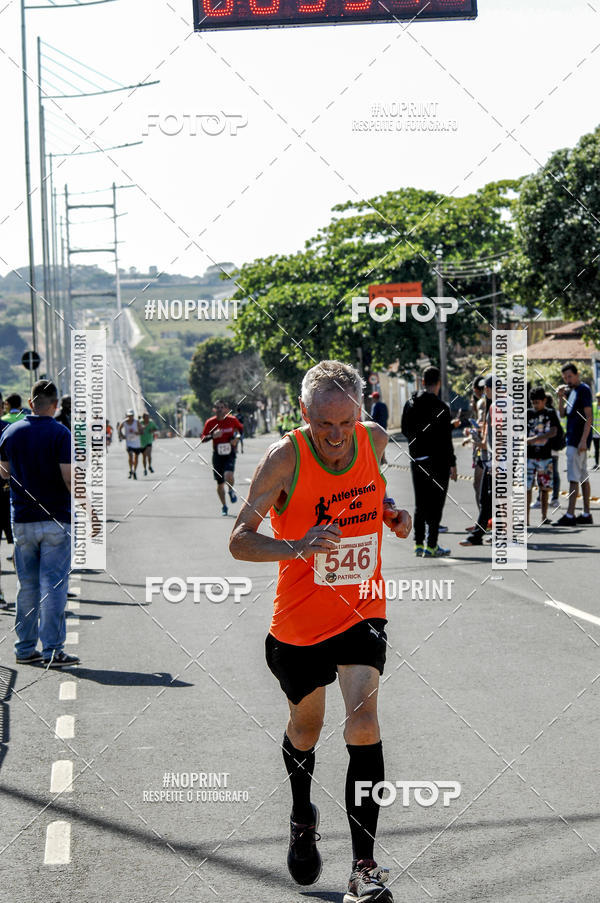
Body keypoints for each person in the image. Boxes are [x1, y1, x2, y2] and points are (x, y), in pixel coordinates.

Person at [229, 360, 411, 903]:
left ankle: (364, 867)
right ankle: (302, 814)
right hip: (300, 622)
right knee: (307, 729)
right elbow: (240, 539)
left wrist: (393, 514)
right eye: (324, 424)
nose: (336, 437)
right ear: (304, 413)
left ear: (361, 413)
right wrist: (298, 545)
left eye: (345, 423)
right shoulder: (285, 458)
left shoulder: (373, 440)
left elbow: (372, 494)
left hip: (361, 609)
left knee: (364, 719)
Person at [0, 379, 79, 667]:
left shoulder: (11, 432)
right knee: (54, 586)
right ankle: (54, 650)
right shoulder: (61, 433)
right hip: (56, 519)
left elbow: (5, 474)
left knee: (27, 586)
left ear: (31, 403)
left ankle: (24, 649)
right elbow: (69, 477)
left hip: (21, 521)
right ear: (55, 405)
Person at [401, 366, 457, 557]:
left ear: (422, 382)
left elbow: (404, 429)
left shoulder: (410, 403)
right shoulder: (442, 407)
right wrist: (452, 464)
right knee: (436, 504)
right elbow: (446, 440)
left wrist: (417, 444)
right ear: (438, 383)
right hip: (438, 461)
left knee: (420, 503)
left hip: (417, 459)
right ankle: (431, 545)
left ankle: (418, 543)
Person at [554, 363, 593, 525]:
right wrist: (561, 398)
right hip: (573, 437)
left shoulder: (583, 389)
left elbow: (588, 416)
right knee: (582, 476)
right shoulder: (572, 391)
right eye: (565, 378)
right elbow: (563, 414)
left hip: (577, 440)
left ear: (577, 375)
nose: (567, 380)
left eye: (570, 376)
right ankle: (586, 513)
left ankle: (570, 515)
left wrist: (584, 439)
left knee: (573, 478)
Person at [461, 376, 494, 547]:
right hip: (491, 460)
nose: (484, 392)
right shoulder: (493, 407)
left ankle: (479, 535)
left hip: (497, 462)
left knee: (490, 498)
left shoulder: (498, 408)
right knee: (486, 498)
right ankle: (480, 533)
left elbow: (492, 442)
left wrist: (474, 440)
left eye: (486, 389)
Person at [201, 400, 244, 516]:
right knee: (220, 484)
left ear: (226, 409)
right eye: (217, 408)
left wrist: (237, 438)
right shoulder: (210, 423)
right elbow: (202, 438)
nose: (220, 410)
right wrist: (212, 436)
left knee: (229, 475)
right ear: (214, 409)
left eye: (222, 407)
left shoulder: (232, 420)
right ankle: (224, 506)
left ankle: (230, 490)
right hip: (217, 454)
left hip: (230, 452)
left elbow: (240, 431)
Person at [526, 388, 559, 526]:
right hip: (528, 456)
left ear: (544, 401)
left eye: (538, 402)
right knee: (526, 487)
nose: (535, 405)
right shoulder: (528, 413)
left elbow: (554, 431)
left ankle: (544, 517)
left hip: (545, 456)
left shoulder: (550, 413)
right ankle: (526, 519)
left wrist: (536, 438)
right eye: (533, 403)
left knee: (544, 487)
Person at [545, 393, 563, 506]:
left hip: (549, 448)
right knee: (553, 473)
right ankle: (553, 498)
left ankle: (548, 498)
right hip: (553, 448)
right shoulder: (555, 412)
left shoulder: (550, 413)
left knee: (546, 473)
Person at [118, 409, 142, 479]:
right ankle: (130, 469)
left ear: (133, 416)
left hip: (137, 443)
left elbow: (142, 431)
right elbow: (119, 429)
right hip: (129, 443)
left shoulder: (136, 422)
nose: (130, 417)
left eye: (131, 416)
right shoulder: (124, 422)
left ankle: (134, 471)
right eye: (128, 416)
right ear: (126, 415)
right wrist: (121, 435)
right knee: (130, 455)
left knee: (136, 458)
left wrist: (138, 432)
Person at [592, 390, 600, 470]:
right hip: (594, 432)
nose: (598, 399)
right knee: (596, 449)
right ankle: (597, 464)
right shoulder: (593, 405)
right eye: (597, 398)